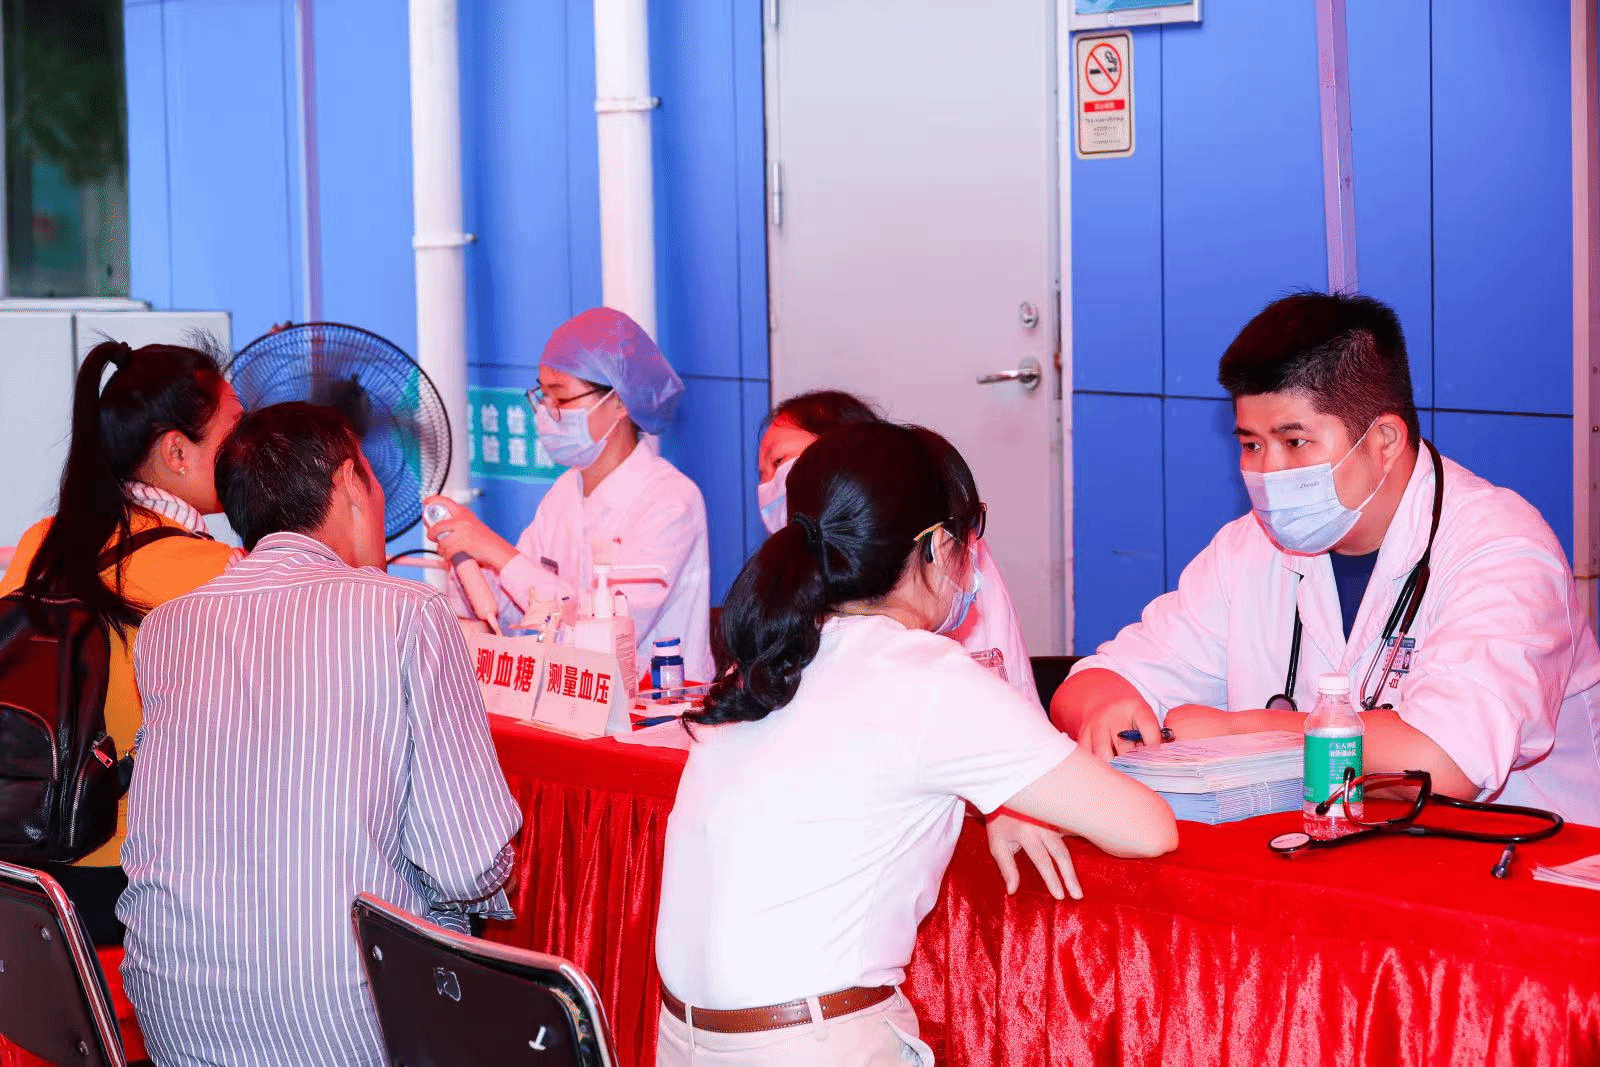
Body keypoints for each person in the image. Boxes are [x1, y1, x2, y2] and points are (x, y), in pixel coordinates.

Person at [655, 421, 1177, 1067]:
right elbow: (1146, 828)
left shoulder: (768, 659)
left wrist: (1001, 795)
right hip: (812, 1044)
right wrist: (1011, 799)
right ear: (935, 546)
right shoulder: (926, 674)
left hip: (684, 1038)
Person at [1053, 291, 1600, 825]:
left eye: (1295, 443)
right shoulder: (1247, 549)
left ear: (1384, 440)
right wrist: (1106, 707)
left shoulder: (1502, 548)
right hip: (1323, 856)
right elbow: (1091, 683)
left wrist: (1238, 731)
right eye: (1250, 445)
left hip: (1513, 865)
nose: (1268, 472)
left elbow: (1444, 764)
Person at [117, 403, 522, 1067]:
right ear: (347, 483)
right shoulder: (407, 613)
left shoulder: (167, 629)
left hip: (175, 1013)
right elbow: (466, 864)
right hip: (348, 1019)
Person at [0, 338, 243, 945]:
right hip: (143, 881)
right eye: (236, 430)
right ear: (176, 452)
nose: (250, 449)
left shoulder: (39, 544)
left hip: (27, 869)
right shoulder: (218, 573)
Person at [424, 307, 714, 681]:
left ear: (619, 401)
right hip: (575, 701)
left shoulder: (671, 500)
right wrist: (472, 563)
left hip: (659, 704)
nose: (546, 413)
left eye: (561, 400)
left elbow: (608, 638)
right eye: (542, 397)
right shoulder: (564, 492)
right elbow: (519, 614)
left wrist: (497, 553)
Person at [757, 389, 1041, 705]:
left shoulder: (954, 557)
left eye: (779, 461)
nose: (767, 487)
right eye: (761, 474)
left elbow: (1004, 685)